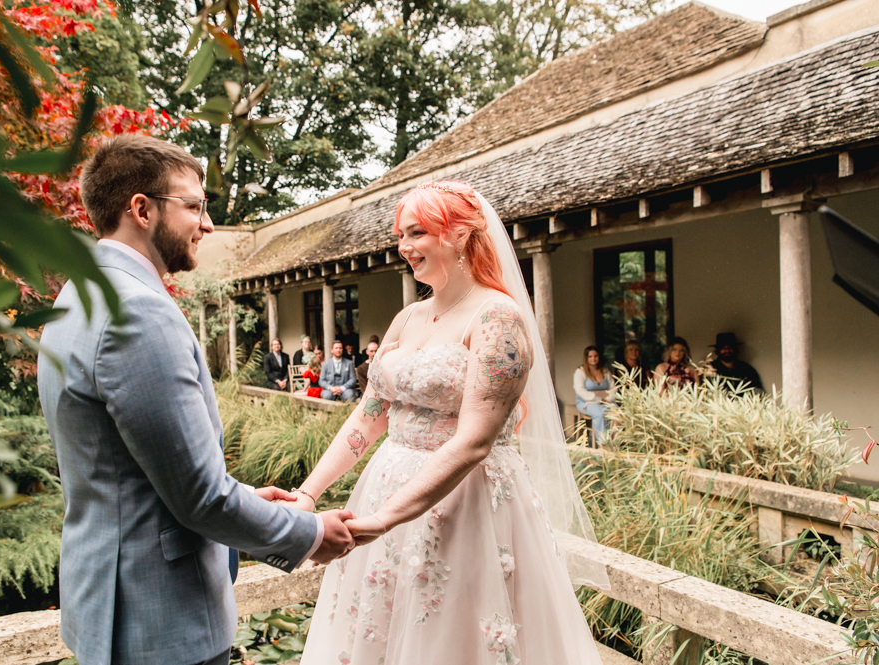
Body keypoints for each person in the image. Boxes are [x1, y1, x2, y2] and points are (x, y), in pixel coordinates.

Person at [36, 135, 355, 665]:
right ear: (141, 208)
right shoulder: (136, 313)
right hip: (160, 622)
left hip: (109, 608)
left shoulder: (77, 294)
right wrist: (309, 531)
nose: (207, 223)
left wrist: (247, 496)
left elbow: (129, 470)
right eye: (194, 206)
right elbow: (201, 498)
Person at [288, 181, 607, 664]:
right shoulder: (408, 317)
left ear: (459, 235)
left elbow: (475, 441)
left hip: (464, 500)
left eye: (416, 233)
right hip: (384, 491)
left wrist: (383, 519)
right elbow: (370, 417)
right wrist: (308, 493)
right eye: (401, 235)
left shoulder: (498, 319)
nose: (403, 247)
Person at [573, 346, 613, 442]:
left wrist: (609, 399)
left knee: (615, 413)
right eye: (590, 356)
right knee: (599, 414)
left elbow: (613, 387)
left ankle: (615, 442)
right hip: (587, 402)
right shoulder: (581, 371)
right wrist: (598, 399)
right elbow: (579, 390)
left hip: (606, 401)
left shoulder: (605, 371)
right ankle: (603, 443)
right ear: (586, 358)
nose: (593, 359)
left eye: (596, 356)